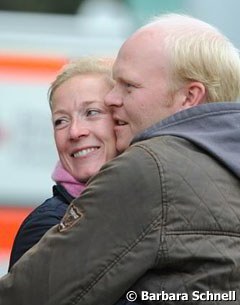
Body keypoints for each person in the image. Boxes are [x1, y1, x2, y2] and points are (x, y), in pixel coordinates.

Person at [1, 13, 240, 305]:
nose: (113, 100)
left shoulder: (149, 167)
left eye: (129, 86)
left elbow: (24, 297)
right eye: (60, 121)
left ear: (189, 97)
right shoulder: (225, 164)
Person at [8, 56, 118, 270]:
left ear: (122, 120)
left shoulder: (151, 205)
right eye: (61, 121)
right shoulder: (48, 227)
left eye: (92, 112)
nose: (75, 131)